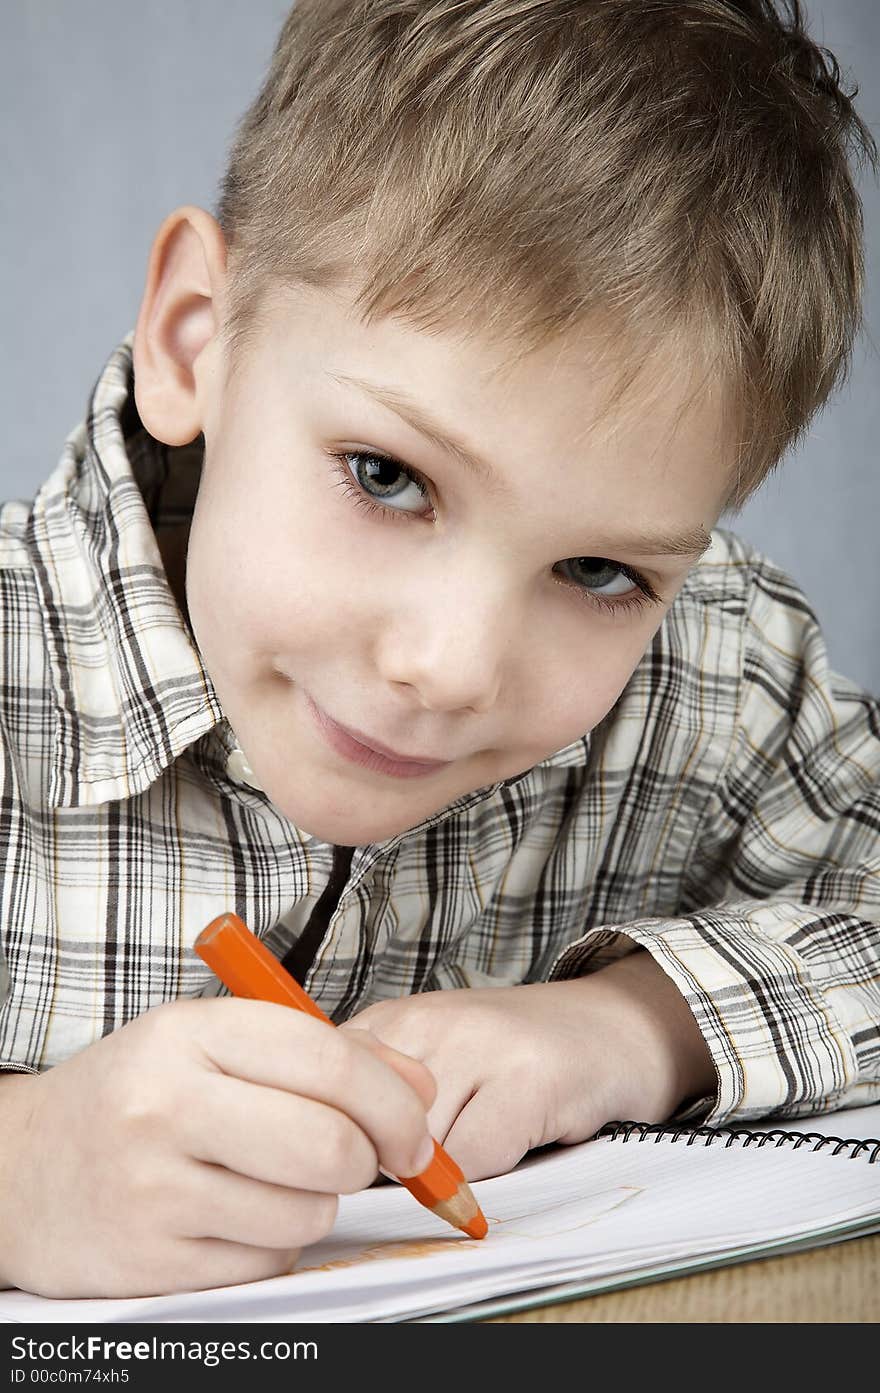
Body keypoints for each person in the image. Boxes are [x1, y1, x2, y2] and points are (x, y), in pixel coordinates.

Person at [1, 0, 878, 1300]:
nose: (454, 666)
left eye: (597, 571)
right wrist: (22, 1173)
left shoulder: (718, 675)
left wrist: (628, 1026)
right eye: (386, 474)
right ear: (196, 336)